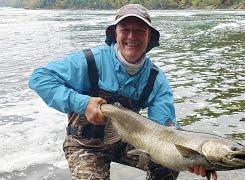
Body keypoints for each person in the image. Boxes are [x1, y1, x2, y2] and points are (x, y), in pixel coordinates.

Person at [29, 4, 217, 180]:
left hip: (128, 140)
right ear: (115, 34)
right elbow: (39, 78)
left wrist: (195, 158)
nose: (131, 36)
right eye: (125, 29)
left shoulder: (156, 79)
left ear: (149, 37)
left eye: (139, 31)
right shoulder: (89, 61)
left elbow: (166, 130)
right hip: (84, 144)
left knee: (169, 167)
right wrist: (83, 103)